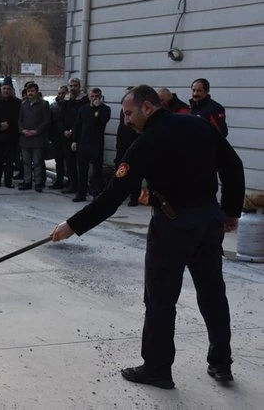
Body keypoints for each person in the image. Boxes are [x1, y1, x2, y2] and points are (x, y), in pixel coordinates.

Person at [51, 85, 244, 390]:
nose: (126, 120)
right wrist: (231, 211)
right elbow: (233, 166)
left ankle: (157, 368)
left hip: (172, 226)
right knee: (212, 293)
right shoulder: (197, 124)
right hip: (209, 223)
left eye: (129, 113)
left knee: (160, 299)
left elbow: (113, 195)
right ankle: (221, 363)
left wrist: (72, 225)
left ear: (148, 108)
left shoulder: (147, 142)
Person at [71, 87, 111, 202]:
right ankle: (81, 194)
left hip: (96, 144)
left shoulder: (105, 109)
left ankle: (97, 193)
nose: (94, 98)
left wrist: (97, 108)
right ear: (88, 97)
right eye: (92, 96)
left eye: (96, 96)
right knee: (82, 170)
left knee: (97, 170)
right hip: (83, 143)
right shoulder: (83, 109)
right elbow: (77, 125)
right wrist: (74, 140)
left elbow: (103, 120)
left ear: (100, 97)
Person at [17, 81, 51, 192]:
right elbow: (19, 120)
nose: (30, 93)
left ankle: (38, 183)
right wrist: (22, 130)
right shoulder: (24, 104)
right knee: (26, 162)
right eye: (28, 91)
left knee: (37, 162)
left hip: (37, 138)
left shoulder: (43, 104)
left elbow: (46, 121)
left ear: (36, 92)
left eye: (32, 91)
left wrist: (36, 131)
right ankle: (27, 181)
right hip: (25, 138)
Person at [0, 77, 21, 188]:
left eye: (8, 89)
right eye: (4, 88)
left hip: (11, 136)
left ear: (11, 90)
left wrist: (9, 124)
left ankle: (8, 181)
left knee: (10, 161)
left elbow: (19, 118)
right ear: (1, 89)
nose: (6, 91)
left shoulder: (18, 103)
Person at [59, 78, 89, 194]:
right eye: (71, 86)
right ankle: (72, 185)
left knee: (81, 164)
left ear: (79, 86)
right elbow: (59, 118)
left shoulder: (85, 100)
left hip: (80, 137)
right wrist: (64, 131)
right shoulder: (65, 101)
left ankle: (82, 186)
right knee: (70, 163)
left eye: (75, 85)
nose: (73, 88)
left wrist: (75, 131)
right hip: (67, 137)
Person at [115, 86, 141, 207]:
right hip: (122, 144)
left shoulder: (138, 111)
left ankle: (134, 197)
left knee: (135, 170)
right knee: (120, 169)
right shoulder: (123, 110)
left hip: (134, 143)